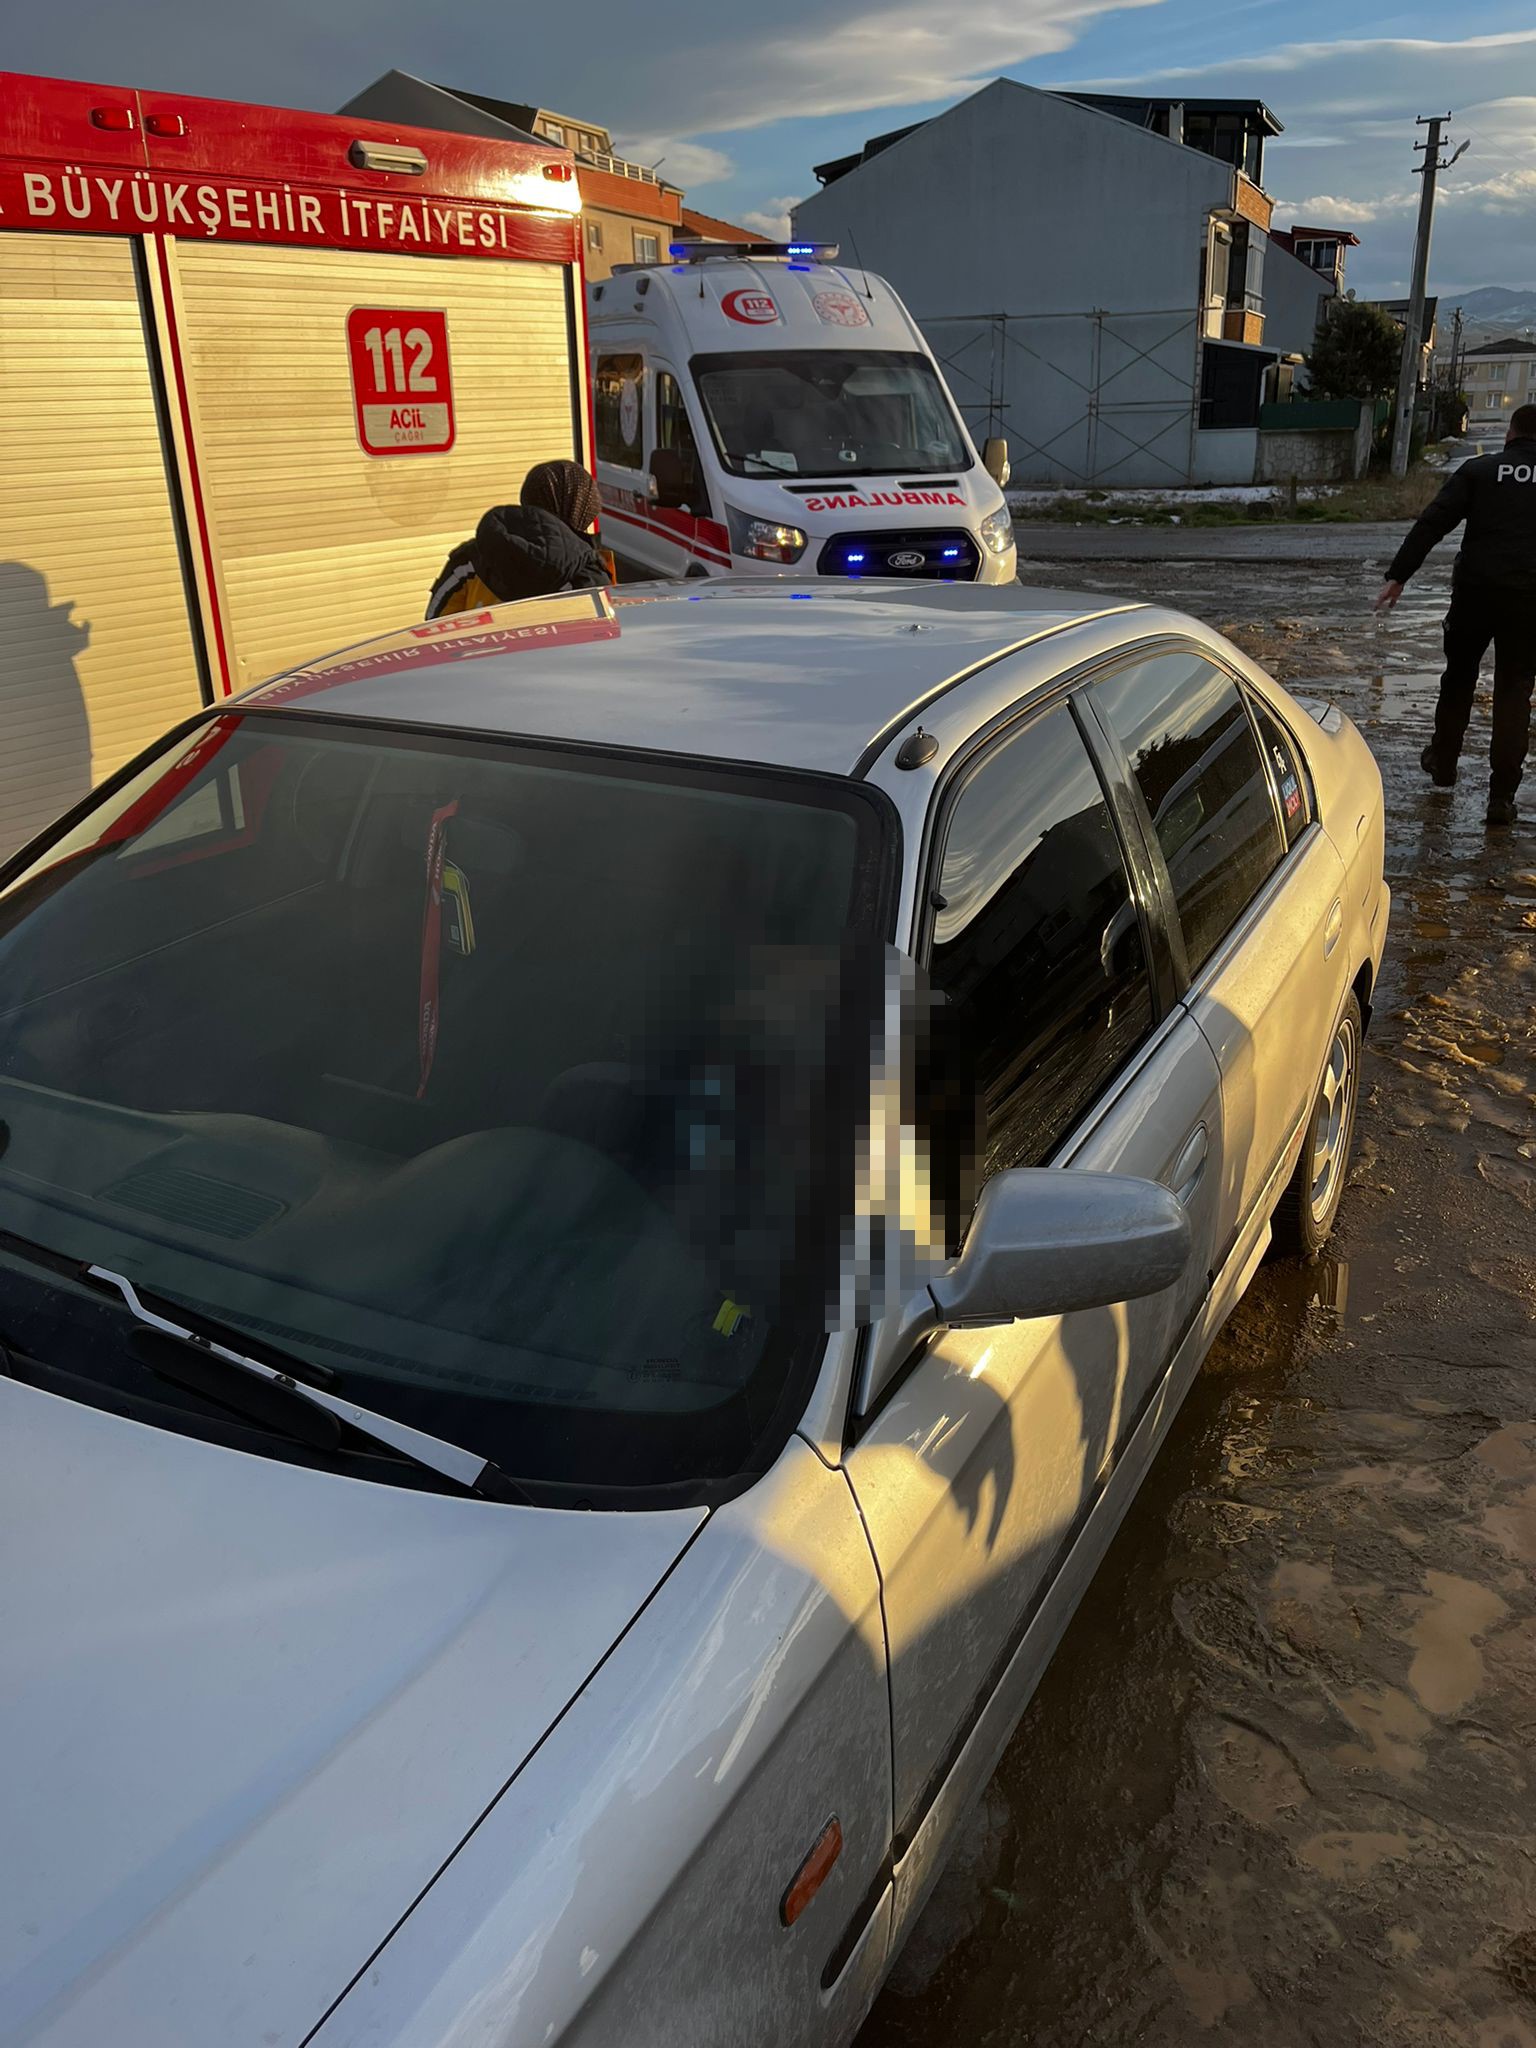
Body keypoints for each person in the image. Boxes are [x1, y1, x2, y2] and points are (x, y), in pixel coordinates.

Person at [1377, 405, 1536, 828]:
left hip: (1474, 595)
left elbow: (1432, 523)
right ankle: (1501, 797)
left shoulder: (1480, 471)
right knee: (1514, 692)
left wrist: (1398, 576)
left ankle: (1444, 763)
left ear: (1510, 434)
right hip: (1529, 602)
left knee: (1459, 678)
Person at [426, 460, 608, 618]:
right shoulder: (589, 574)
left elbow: (433, 627)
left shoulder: (469, 559)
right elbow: (600, 635)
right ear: (582, 514)